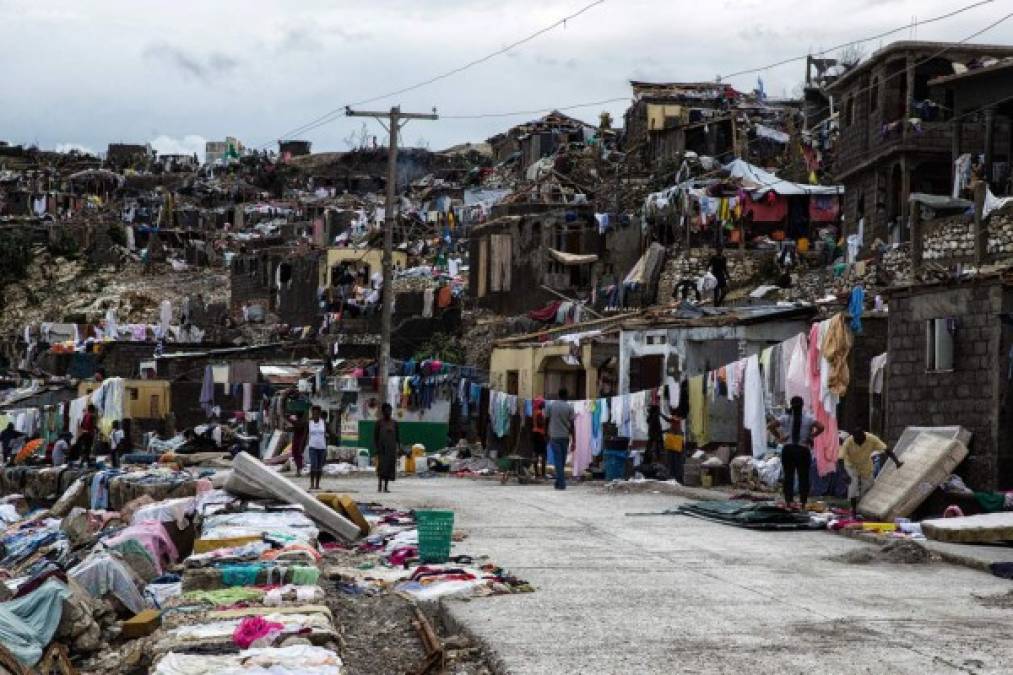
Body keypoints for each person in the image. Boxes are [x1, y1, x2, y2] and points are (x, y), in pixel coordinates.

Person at [767, 396, 824, 510]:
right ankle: (803, 502)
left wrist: (780, 437)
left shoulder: (785, 418)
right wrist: (811, 436)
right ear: (802, 406)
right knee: (804, 476)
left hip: (788, 449)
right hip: (802, 450)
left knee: (788, 476)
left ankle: (789, 501)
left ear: (791, 406)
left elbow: (770, 426)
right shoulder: (808, 419)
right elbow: (821, 427)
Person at [840, 428, 903, 518]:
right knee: (853, 486)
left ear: (864, 436)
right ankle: (853, 510)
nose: (858, 442)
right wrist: (844, 473)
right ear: (853, 437)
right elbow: (841, 459)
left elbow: (886, 450)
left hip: (865, 464)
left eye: (860, 440)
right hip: (851, 465)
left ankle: (862, 507)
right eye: (856, 440)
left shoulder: (872, 438)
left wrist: (897, 462)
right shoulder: (848, 441)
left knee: (868, 486)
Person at [545, 388, 574, 490]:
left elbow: (546, 420)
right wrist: (573, 439)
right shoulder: (569, 407)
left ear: (558, 395)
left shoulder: (551, 405)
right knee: (561, 460)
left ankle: (559, 482)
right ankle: (561, 483)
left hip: (554, 436)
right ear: (566, 396)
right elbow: (572, 425)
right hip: (565, 437)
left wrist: (546, 434)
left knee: (558, 460)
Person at [374, 403, 399, 493]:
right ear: (383, 412)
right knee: (382, 467)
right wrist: (376, 448)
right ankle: (380, 485)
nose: (389, 412)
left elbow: (397, 437)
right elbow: (375, 437)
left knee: (389, 468)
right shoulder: (379, 423)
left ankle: (386, 487)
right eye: (387, 410)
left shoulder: (394, 423)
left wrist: (398, 448)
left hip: (391, 449)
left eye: (390, 410)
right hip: (382, 449)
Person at [307, 406, 328, 490]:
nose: (315, 415)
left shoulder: (323, 422)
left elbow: (327, 433)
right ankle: (312, 483)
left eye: (317, 413)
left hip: (322, 447)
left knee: (319, 467)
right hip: (312, 447)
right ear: (312, 414)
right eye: (314, 413)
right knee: (313, 465)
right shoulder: (309, 423)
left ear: (319, 414)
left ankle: (317, 484)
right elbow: (306, 434)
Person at [287, 410, 308, 477]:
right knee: (297, 455)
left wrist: (288, 417)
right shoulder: (303, 422)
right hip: (300, 440)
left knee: (297, 455)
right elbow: (295, 427)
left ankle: (299, 470)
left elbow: (295, 424)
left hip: (298, 440)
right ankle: (299, 469)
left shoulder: (300, 422)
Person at [530, 399, 547, 479]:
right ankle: (542, 474)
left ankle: (536, 473)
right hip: (539, 435)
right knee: (543, 455)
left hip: (535, 434)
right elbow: (540, 424)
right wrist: (545, 422)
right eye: (543, 404)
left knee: (535, 453)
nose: (544, 405)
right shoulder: (539, 413)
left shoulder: (534, 412)